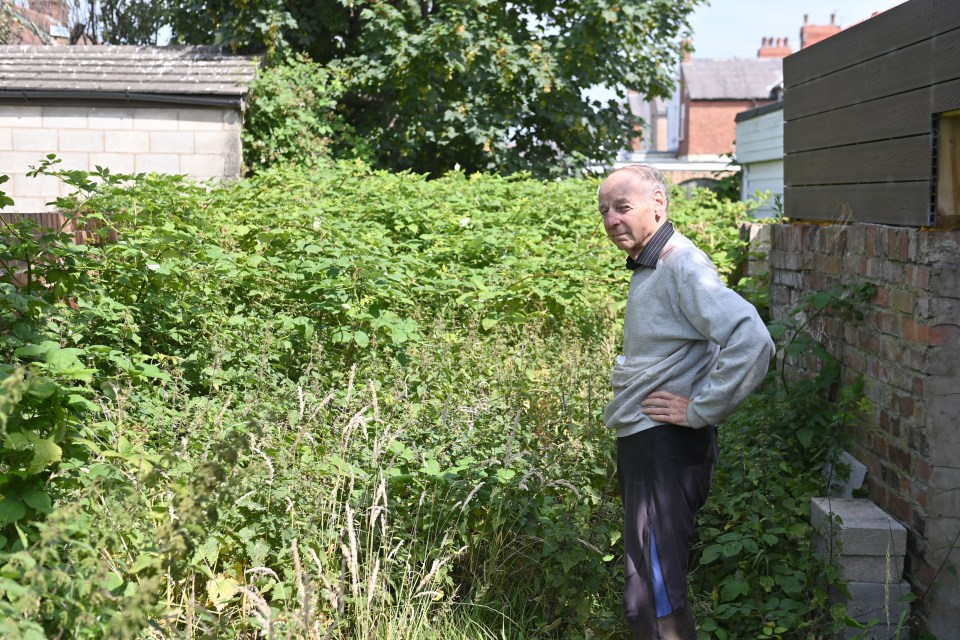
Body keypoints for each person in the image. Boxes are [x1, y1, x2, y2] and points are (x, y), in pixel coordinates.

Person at [598, 165, 774, 640]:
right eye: (605, 211)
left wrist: (700, 409)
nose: (612, 220)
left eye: (623, 206)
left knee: (653, 596)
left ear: (659, 203)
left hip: (666, 446)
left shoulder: (680, 264)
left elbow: (751, 337)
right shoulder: (654, 266)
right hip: (648, 442)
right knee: (648, 591)